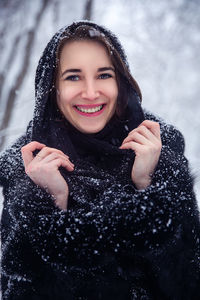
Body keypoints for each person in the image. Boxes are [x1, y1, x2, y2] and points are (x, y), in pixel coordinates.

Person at [0, 21, 199, 300]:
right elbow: (19, 291)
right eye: (73, 77)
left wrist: (147, 185)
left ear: (120, 82)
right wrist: (56, 203)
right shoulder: (29, 169)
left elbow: (188, 280)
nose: (91, 92)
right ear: (52, 87)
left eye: (104, 75)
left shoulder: (161, 153)